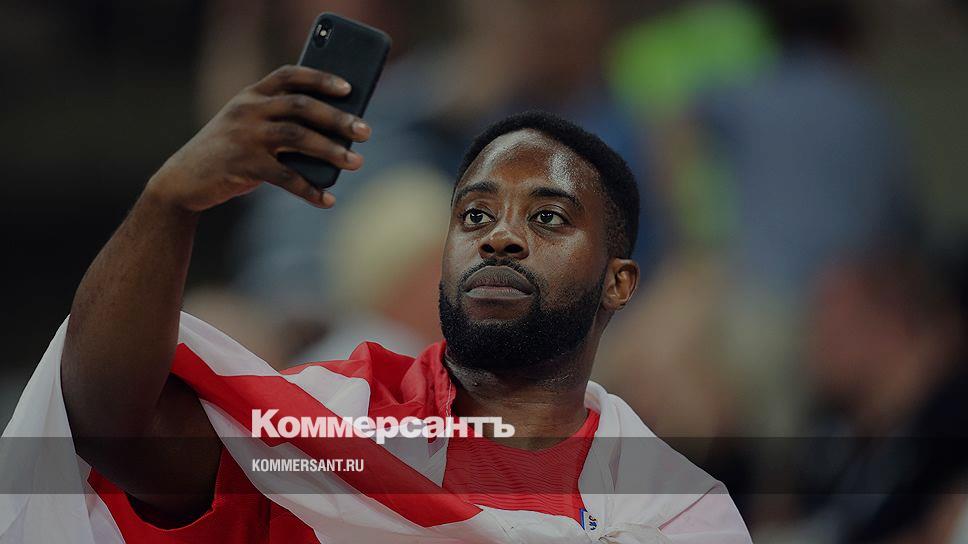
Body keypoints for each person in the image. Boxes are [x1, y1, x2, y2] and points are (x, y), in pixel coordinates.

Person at [33, 65, 749, 542]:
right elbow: (112, 429)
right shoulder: (328, 423)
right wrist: (169, 202)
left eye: (548, 217)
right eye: (474, 216)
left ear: (619, 283)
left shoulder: (677, 511)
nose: (499, 237)